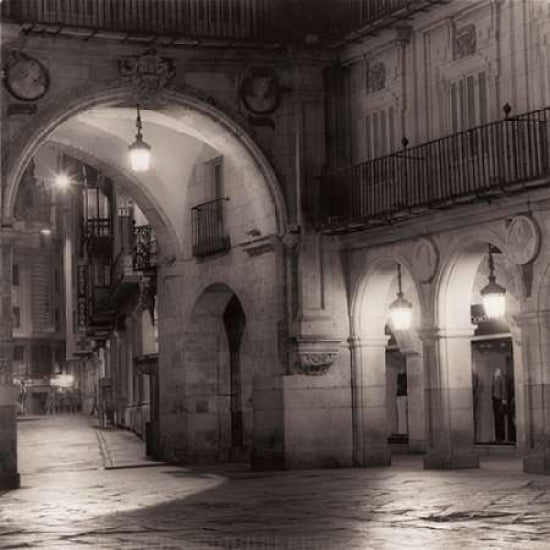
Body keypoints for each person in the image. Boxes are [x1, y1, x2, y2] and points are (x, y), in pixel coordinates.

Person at [492, 367, 507, 442]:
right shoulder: (495, 378)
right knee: (497, 419)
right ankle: (497, 437)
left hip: (499, 399)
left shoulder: (501, 378)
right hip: (495, 399)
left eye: (497, 370)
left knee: (500, 419)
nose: (496, 372)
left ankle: (501, 437)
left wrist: (503, 400)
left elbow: (503, 389)